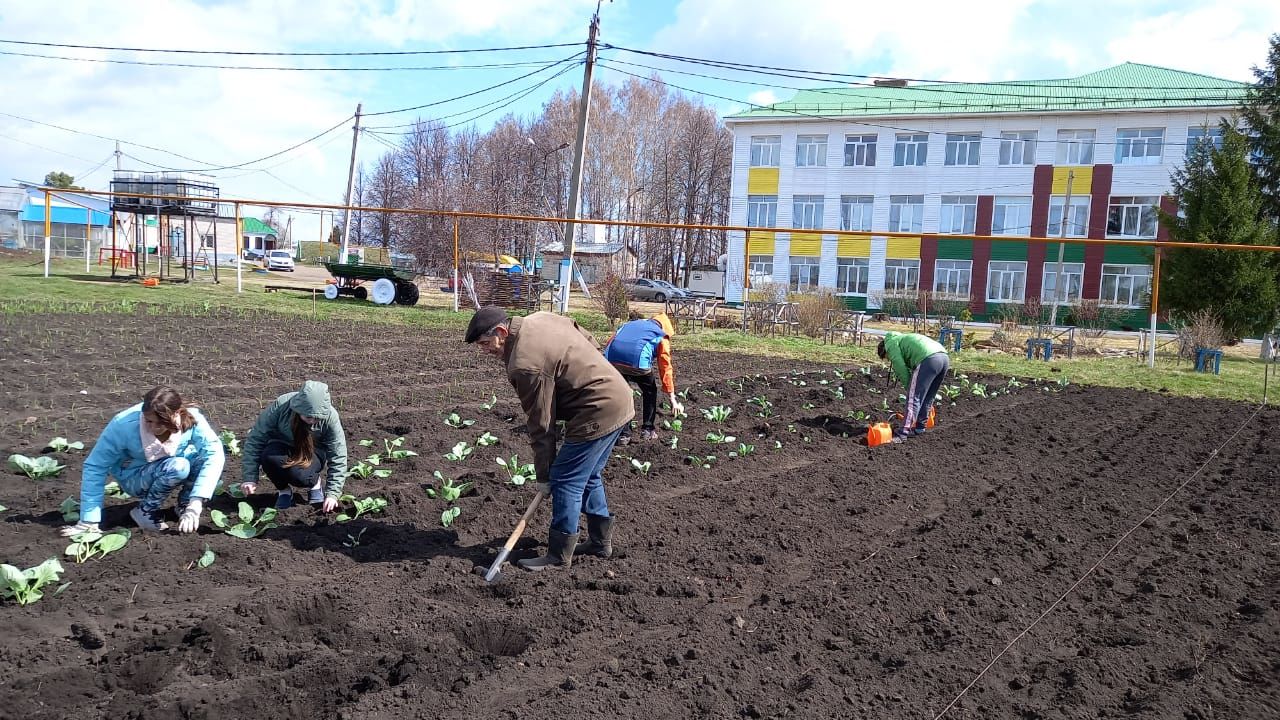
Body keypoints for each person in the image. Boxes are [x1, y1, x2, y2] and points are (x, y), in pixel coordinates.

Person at [466, 306, 633, 571]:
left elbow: (541, 424)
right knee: (588, 475)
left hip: (596, 409)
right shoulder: (540, 318)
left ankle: (557, 556)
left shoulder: (524, 364)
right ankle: (600, 543)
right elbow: (585, 335)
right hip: (618, 396)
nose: (485, 351)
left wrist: (545, 476)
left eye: (487, 344)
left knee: (566, 479)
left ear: (501, 331)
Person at [59, 386, 224, 536]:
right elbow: (96, 465)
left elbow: (214, 453)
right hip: (134, 477)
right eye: (149, 421)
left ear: (177, 414)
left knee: (202, 459)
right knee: (178, 466)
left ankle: (185, 506)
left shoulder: (191, 418)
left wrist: (195, 505)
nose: (154, 428)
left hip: (168, 467)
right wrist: (89, 519)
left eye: (162, 423)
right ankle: (145, 512)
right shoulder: (123, 424)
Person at [239, 380, 348, 512]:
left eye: (317, 418)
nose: (313, 421)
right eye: (309, 417)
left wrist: (332, 494)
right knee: (268, 458)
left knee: (299, 475)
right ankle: (284, 491)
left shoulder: (331, 417)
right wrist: (249, 478)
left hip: (313, 451)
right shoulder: (282, 405)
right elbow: (256, 439)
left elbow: (338, 454)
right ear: (298, 408)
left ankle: (315, 484)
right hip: (282, 445)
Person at [602, 312, 685, 444]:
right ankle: (648, 430)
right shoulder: (660, 335)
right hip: (637, 362)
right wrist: (672, 399)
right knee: (650, 391)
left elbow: (610, 342)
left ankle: (624, 435)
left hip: (613, 360)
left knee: (624, 394)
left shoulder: (629, 325)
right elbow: (665, 367)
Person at [877, 331, 950, 442]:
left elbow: (901, 368)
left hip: (928, 359)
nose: (889, 360)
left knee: (913, 397)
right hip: (943, 357)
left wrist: (910, 388)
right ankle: (920, 428)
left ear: (884, 351)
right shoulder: (901, 339)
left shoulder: (890, 345)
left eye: (887, 358)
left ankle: (902, 433)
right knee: (928, 396)